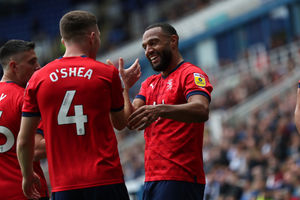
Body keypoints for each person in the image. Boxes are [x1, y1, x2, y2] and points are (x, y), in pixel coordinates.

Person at [17, 10, 140, 200]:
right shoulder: (106, 73)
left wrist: (26, 175)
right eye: (98, 36)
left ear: (62, 41)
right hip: (106, 181)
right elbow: (121, 122)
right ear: (93, 37)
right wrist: (125, 87)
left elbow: (24, 141)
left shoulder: (37, 79)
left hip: (64, 186)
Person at [125, 23, 213, 200]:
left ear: (173, 41)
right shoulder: (149, 83)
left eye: (154, 43)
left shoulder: (191, 74)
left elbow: (202, 109)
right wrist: (125, 88)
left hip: (181, 176)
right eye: (145, 47)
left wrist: (160, 110)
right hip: (152, 178)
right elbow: (130, 120)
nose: (148, 50)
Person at [0, 39, 49, 200]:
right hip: (28, 192)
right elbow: (37, 149)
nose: (38, 67)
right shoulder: (24, 99)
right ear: (14, 66)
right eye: (32, 62)